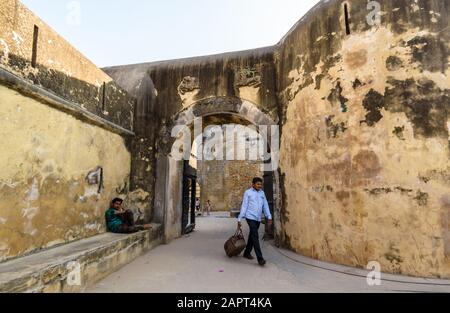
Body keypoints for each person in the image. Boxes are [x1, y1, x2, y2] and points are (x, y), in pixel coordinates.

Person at [237, 177, 273, 266]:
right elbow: (244, 205)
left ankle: (247, 252)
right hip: (250, 217)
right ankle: (260, 259)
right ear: (253, 184)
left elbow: (265, 205)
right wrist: (239, 218)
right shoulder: (248, 193)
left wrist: (269, 216)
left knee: (252, 235)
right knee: (255, 236)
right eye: (258, 184)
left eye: (260, 184)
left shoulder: (262, 193)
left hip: (258, 218)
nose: (259, 186)